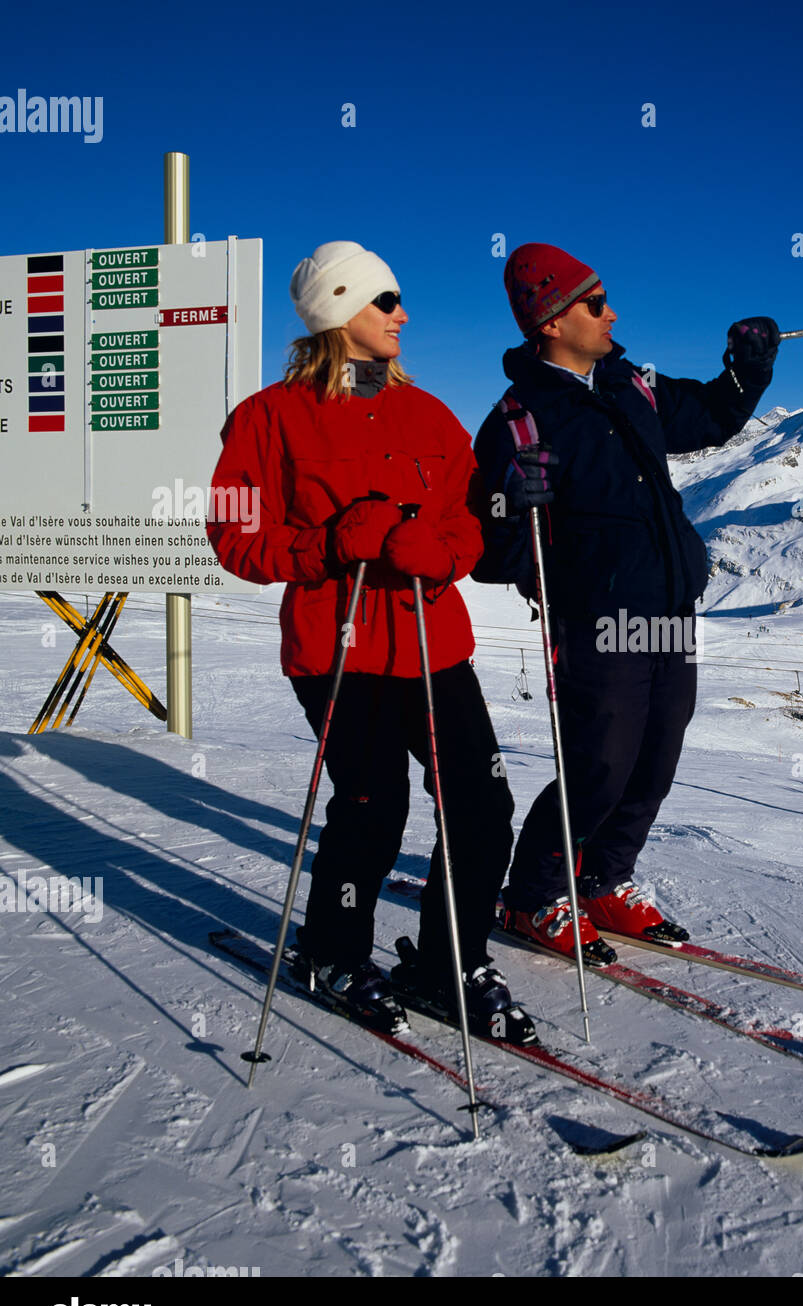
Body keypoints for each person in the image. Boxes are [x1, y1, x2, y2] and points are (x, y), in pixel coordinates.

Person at [207, 240, 531, 1042]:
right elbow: (236, 538)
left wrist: (444, 552)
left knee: (482, 801)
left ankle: (449, 961)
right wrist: (329, 545)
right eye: (386, 302)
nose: (402, 316)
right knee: (371, 802)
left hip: (432, 640)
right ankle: (334, 952)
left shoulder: (428, 413)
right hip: (337, 646)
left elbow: (468, 524)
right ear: (339, 309)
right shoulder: (267, 418)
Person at [472, 242, 778, 961]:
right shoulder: (519, 420)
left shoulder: (628, 386)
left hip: (668, 605)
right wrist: (516, 505)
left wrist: (748, 367)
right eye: (595, 302)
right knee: (600, 761)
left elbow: (707, 416)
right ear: (549, 321)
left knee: (655, 754)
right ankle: (532, 894)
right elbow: (488, 544)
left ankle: (605, 879)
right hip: (595, 618)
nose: (613, 312)